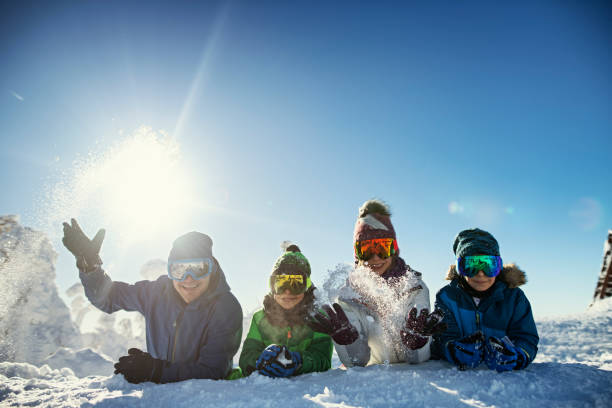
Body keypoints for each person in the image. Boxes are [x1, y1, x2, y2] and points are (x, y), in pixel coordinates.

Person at [61, 219, 243, 383]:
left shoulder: (225, 307)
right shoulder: (156, 293)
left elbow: (212, 371)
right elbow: (107, 298)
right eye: (179, 270)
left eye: (198, 268)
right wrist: (90, 267)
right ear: (170, 272)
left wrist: (156, 370)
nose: (188, 278)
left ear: (211, 268)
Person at [308, 199, 446, 367]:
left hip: (413, 380)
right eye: (366, 250)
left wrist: (418, 343)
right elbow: (357, 362)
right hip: (374, 381)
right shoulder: (348, 297)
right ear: (357, 254)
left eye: (383, 248)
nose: (375, 257)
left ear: (394, 249)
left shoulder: (414, 288)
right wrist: (346, 341)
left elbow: (418, 360)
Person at [431, 228, 539, 372]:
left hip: (504, 382)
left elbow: (526, 337)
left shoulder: (514, 298)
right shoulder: (447, 297)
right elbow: (443, 338)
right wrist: (453, 349)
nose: (481, 273)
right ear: (459, 268)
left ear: (499, 267)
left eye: (489, 265)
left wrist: (517, 355)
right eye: (471, 266)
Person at [238, 244, 333, 377]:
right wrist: (259, 362)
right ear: (272, 286)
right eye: (281, 284)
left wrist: (298, 361)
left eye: (296, 284)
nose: (288, 291)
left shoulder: (319, 317)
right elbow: (246, 358)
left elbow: (323, 359)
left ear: (307, 286)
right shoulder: (260, 318)